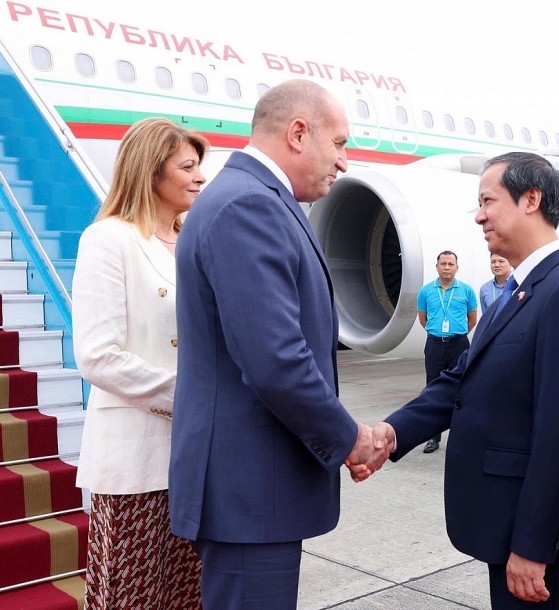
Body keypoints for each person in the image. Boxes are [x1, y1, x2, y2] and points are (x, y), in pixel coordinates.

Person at [169, 80, 388, 609]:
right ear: (297, 133)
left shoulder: (254, 200)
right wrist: (349, 438)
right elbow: (275, 361)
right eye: (338, 143)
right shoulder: (249, 206)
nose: (343, 161)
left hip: (254, 491)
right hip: (250, 494)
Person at [374, 152, 559, 608]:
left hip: (543, 545)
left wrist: (533, 545)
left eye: (487, 200)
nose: (479, 214)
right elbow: (460, 379)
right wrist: (391, 432)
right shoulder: (519, 290)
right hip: (509, 527)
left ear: (531, 200)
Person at [72, 117, 208, 609]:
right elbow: (97, 355)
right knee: (134, 595)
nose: (200, 177)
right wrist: (194, 400)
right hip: (135, 457)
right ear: (150, 171)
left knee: (189, 592)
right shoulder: (108, 239)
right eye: (188, 166)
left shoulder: (195, 241)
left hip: (196, 453)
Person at [416, 250, 478, 453]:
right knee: (433, 389)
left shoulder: (466, 291)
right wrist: (438, 334)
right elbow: (423, 319)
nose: (447, 267)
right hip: (434, 345)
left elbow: (472, 320)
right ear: (437, 267)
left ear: (457, 268)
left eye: (451, 264)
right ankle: (433, 437)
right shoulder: (426, 291)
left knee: (463, 389)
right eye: (443, 264)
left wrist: (456, 335)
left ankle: (462, 435)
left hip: (459, 344)